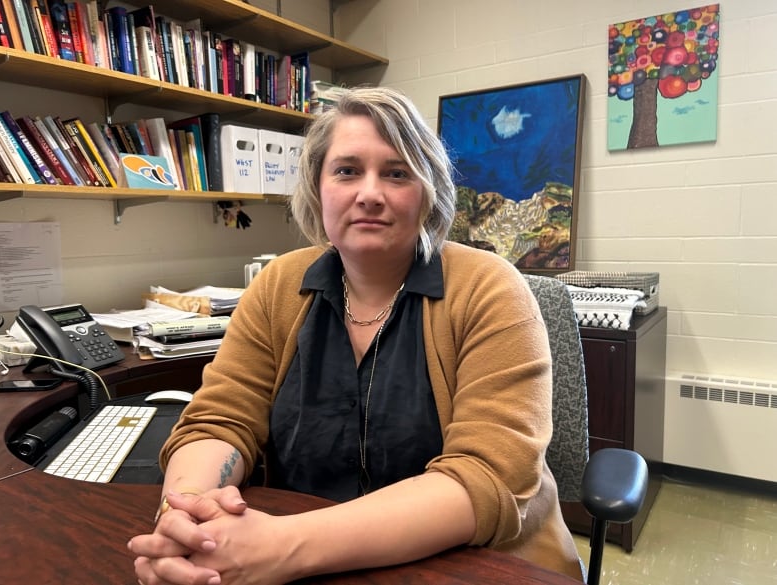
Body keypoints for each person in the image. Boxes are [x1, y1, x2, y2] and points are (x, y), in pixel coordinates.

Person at [128, 86, 583, 584]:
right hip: (298, 559)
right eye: (347, 171)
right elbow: (219, 421)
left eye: (396, 172)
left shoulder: (489, 289)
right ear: (318, 187)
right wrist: (188, 521)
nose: (370, 193)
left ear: (428, 192)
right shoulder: (278, 285)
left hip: (469, 565)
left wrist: (282, 546)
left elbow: (487, 478)